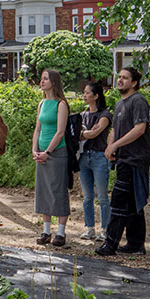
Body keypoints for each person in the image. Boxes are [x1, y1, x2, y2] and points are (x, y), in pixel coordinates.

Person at [96, 67, 150, 256]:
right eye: (119, 77)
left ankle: (110, 244)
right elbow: (114, 130)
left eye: (125, 78)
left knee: (119, 200)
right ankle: (136, 244)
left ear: (134, 82)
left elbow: (140, 128)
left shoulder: (138, 100)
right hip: (123, 158)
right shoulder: (120, 103)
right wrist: (110, 147)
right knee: (133, 202)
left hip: (136, 158)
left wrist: (116, 145)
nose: (119, 80)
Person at [32, 69, 71, 247]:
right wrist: (35, 150)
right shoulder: (42, 103)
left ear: (53, 82)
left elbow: (60, 132)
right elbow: (38, 129)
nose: (42, 82)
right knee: (43, 190)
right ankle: (46, 231)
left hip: (56, 153)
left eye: (45, 79)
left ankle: (61, 232)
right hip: (41, 152)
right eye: (41, 78)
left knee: (58, 190)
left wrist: (47, 152)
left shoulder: (61, 104)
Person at [78, 82, 112, 241]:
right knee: (87, 196)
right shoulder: (83, 114)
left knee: (103, 196)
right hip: (83, 156)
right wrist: (86, 133)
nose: (84, 95)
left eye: (87, 93)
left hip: (99, 157)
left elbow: (93, 134)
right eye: (84, 93)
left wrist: (83, 133)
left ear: (96, 96)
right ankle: (89, 228)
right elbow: (76, 134)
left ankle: (105, 229)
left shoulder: (105, 115)